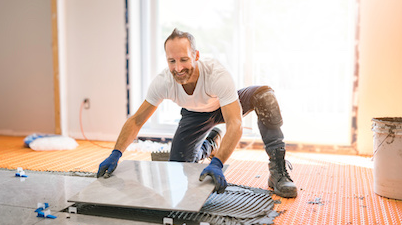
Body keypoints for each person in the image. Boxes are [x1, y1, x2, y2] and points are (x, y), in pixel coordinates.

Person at [96, 28, 297, 198]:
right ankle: (210, 144)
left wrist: (218, 164)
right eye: (171, 61)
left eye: (184, 59)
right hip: (194, 116)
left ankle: (277, 170)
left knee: (265, 96)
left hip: (225, 106)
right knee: (179, 170)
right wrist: (116, 153)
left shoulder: (216, 75)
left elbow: (235, 124)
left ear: (196, 56)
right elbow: (137, 121)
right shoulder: (163, 82)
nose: (178, 68)